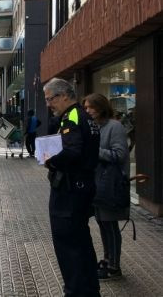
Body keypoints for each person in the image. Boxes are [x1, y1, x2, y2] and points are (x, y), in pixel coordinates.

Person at [43, 78, 100, 297]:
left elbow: (73, 152)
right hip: (81, 188)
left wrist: (51, 161)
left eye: (50, 99)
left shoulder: (74, 116)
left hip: (70, 191)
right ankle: (89, 291)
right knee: (82, 244)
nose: (48, 104)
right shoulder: (85, 117)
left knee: (68, 247)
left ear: (64, 95)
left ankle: (76, 291)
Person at [84, 93, 129, 280]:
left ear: (101, 107)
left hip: (110, 184)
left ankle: (114, 266)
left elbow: (119, 154)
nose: (87, 111)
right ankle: (107, 259)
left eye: (90, 107)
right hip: (97, 183)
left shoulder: (114, 126)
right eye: (85, 108)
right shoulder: (94, 126)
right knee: (103, 224)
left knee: (110, 226)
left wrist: (94, 150)